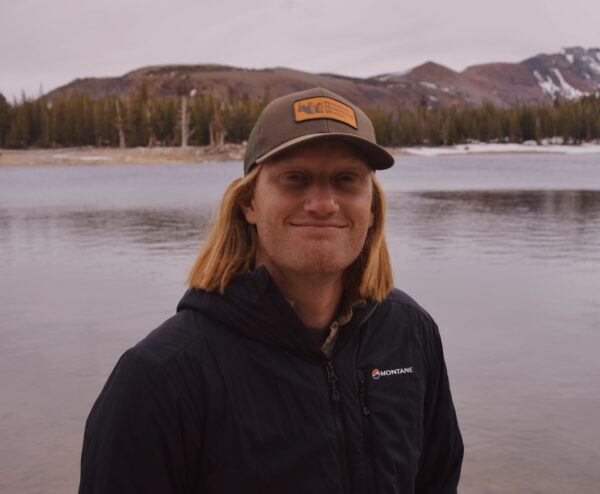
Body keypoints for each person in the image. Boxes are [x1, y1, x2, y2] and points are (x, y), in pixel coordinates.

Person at [79, 87, 463, 493]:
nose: (322, 203)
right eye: (294, 179)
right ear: (249, 204)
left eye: (346, 179)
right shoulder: (160, 378)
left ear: (371, 209)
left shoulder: (411, 334)